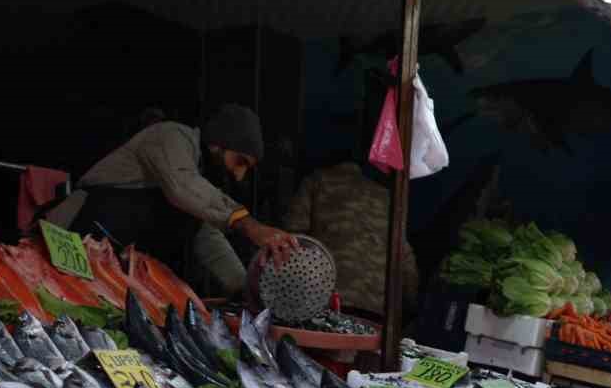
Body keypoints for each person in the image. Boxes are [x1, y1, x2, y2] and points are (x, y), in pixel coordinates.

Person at [52, 105, 296, 296]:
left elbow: (206, 234)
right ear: (217, 144)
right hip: (69, 237)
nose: (238, 174)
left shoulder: (198, 176)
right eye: (240, 161)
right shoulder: (171, 136)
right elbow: (182, 186)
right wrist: (250, 225)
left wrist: (243, 287)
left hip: (105, 266)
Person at [281, 159, 418, 320]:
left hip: (326, 303)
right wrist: (412, 307)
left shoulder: (317, 181)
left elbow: (293, 239)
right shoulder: (387, 198)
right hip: (375, 310)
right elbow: (405, 262)